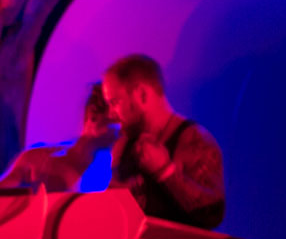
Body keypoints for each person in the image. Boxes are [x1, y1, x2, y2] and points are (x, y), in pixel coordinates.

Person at [103, 53, 225, 229]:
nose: (110, 114)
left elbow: (213, 214)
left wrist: (165, 171)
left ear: (142, 94)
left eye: (114, 102)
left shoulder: (195, 139)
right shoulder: (122, 146)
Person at [0, 82, 117, 191]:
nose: (120, 131)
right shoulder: (35, 159)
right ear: (93, 117)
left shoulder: (110, 168)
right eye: (115, 123)